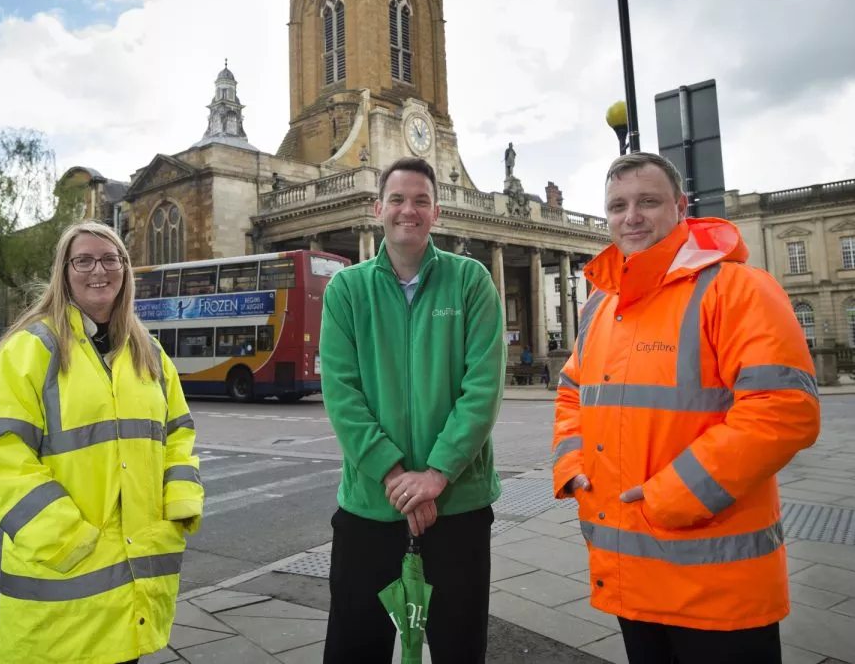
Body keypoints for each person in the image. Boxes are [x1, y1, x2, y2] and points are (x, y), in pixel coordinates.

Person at [552, 152, 821, 664]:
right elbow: (571, 393)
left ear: (681, 206)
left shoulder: (738, 288)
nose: (631, 216)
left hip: (716, 582)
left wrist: (670, 498)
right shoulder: (601, 306)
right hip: (629, 571)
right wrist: (572, 464)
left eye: (648, 202)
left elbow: (785, 409)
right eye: (618, 205)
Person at [0, 220, 204, 664]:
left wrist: (180, 506)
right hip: (63, 583)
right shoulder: (30, 349)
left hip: (135, 581)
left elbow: (178, 435)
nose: (99, 270)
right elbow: (1, 458)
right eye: (84, 260)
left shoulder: (150, 354)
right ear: (65, 272)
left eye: (110, 258)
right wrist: (66, 538)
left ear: (126, 270)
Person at [319, 156, 506, 663]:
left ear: (436, 212)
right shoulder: (347, 290)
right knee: (355, 648)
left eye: (421, 201)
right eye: (397, 200)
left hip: (457, 506)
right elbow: (342, 392)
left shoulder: (471, 282)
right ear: (378, 209)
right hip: (371, 508)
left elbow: (483, 388)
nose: (409, 210)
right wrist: (397, 476)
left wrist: (437, 476)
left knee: (458, 647)